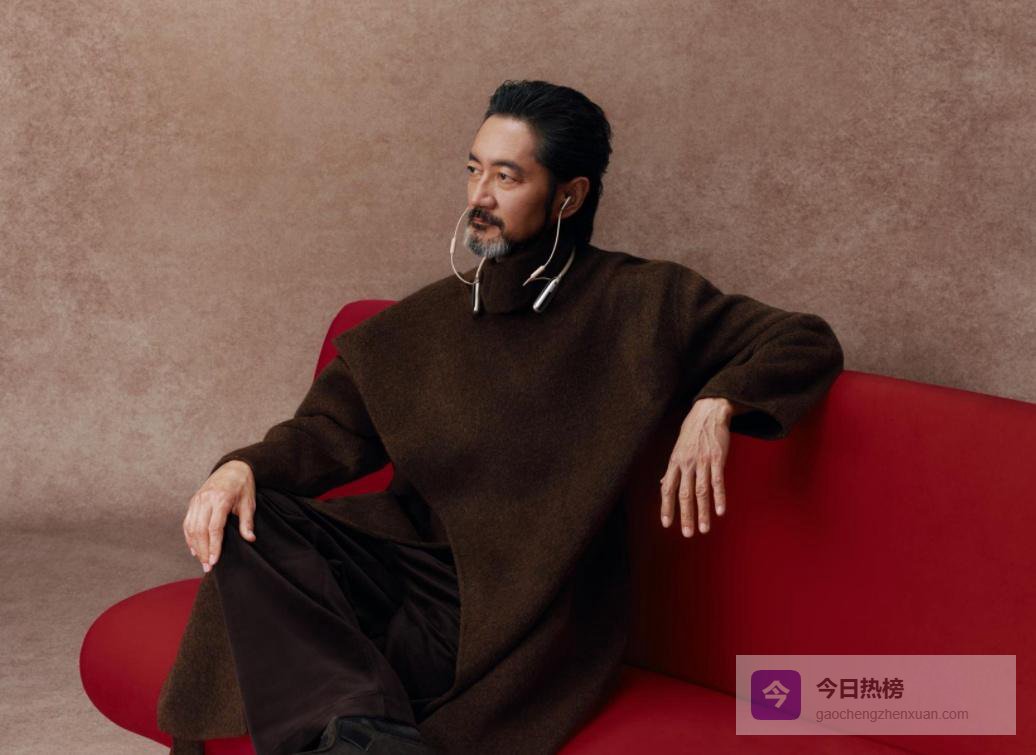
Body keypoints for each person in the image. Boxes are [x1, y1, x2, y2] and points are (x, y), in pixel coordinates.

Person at [158, 79, 844, 755]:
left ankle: (355, 722)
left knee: (291, 639)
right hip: (402, 573)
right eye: (473, 169)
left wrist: (717, 402)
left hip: (515, 611)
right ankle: (369, 737)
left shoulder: (642, 301)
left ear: (569, 195)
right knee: (252, 521)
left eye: (506, 176)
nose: (479, 196)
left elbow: (803, 339)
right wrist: (239, 469)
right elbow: (327, 432)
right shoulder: (429, 318)